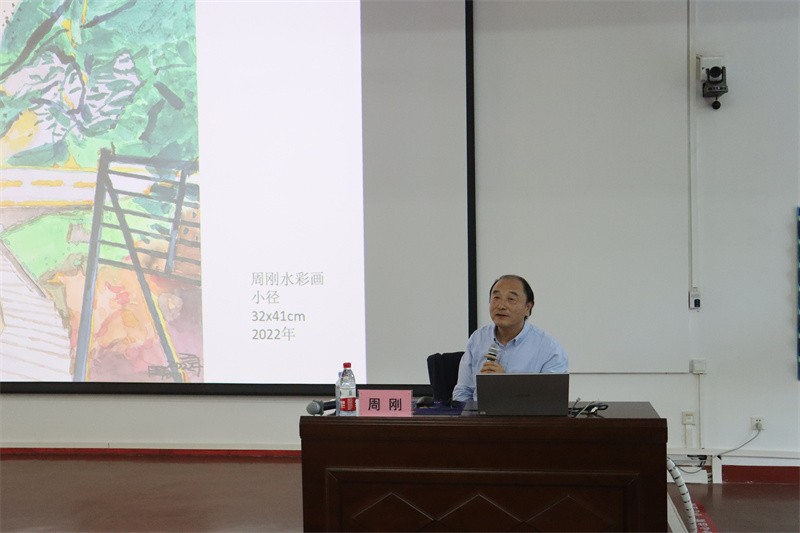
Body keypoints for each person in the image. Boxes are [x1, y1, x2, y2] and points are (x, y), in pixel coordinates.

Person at [451, 274, 568, 402]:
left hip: (524, 415)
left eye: (511, 299)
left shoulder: (549, 349)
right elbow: (462, 391)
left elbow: (550, 402)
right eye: (496, 297)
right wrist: (472, 412)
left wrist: (505, 385)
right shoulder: (478, 339)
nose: (501, 306)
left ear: (528, 308)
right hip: (478, 414)